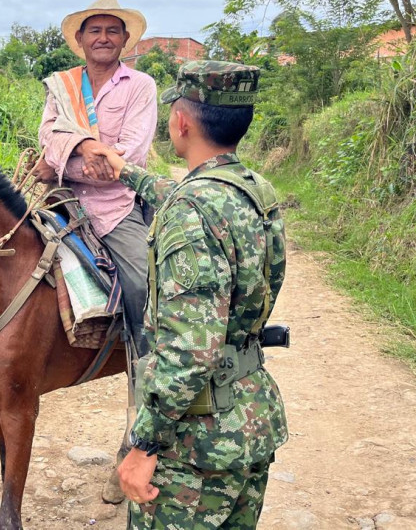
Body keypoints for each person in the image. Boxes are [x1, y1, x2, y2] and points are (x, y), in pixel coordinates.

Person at [86, 60, 288, 528]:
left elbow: (191, 352)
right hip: (251, 417)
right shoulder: (254, 190)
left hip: (197, 444)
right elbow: (180, 195)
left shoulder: (190, 213)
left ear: (180, 123)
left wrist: (144, 447)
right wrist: (124, 170)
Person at [36, 0, 157, 358]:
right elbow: (48, 136)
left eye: (111, 31)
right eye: (95, 31)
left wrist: (57, 166)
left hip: (116, 209)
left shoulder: (140, 85)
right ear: (81, 40)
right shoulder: (62, 85)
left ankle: (148, 362)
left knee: (142, 284)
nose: (103, 37)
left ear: (124, 40)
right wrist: (88, 147)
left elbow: (128, 157)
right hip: (62, 201)